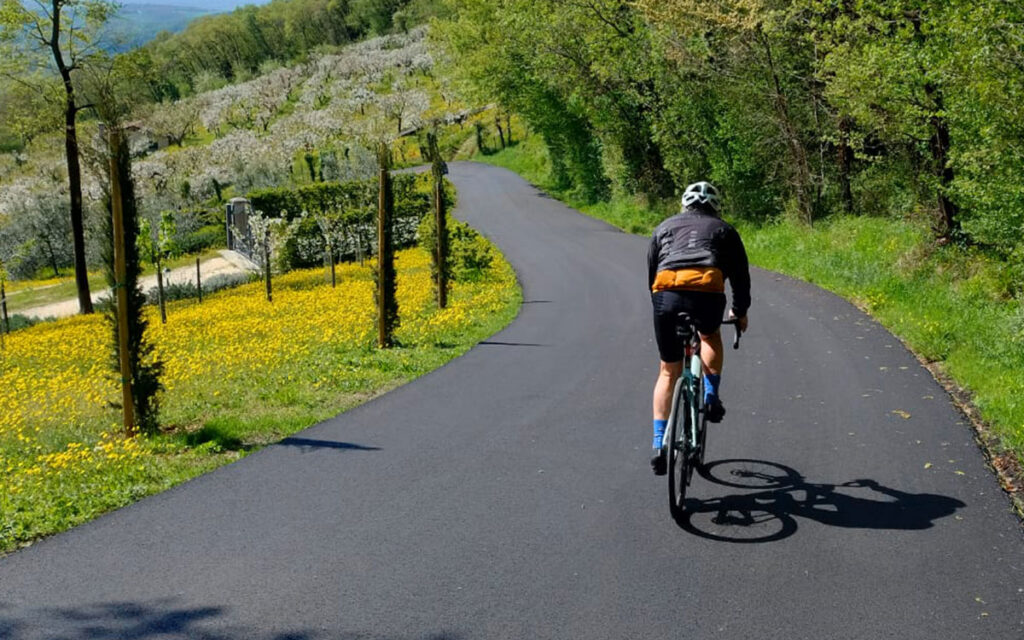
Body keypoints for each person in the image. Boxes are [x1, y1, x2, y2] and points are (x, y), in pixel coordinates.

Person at [648, 181, 750, 475]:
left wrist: (660, 308)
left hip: (665, 296)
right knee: (709, 335)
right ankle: (710, 394)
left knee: (668, 369)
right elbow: (740, 278)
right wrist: (739, 312)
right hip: (707, 294)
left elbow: (652, 271)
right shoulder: (724, 230)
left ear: (684, 204)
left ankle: (659, 444)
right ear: (715, 207)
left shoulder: (664, 227)